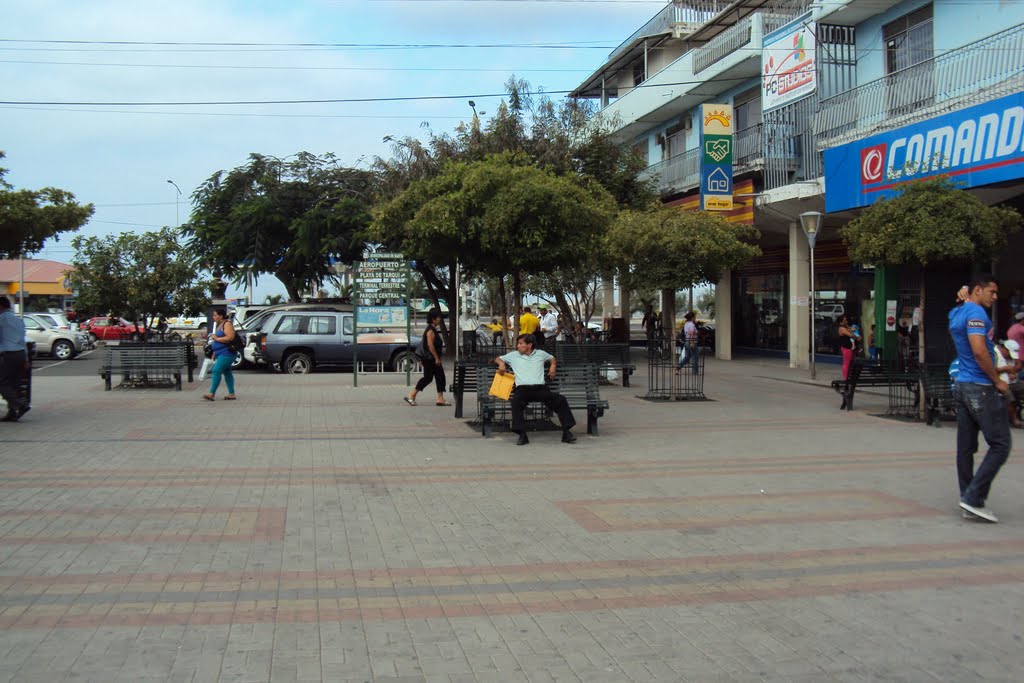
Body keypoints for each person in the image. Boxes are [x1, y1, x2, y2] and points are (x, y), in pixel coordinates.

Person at [949, 275, 1011, 523]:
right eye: (992, 292)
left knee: (965, 447)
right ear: (978, 290)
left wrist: (961, 297)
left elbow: (956, 311)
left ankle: (968, 498)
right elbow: (978, 349)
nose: (995, 297)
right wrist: (997, 380)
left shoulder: (958, 312)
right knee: (1001, 444)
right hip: (980, 386)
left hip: (962, 384)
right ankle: (973, 498)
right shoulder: (977, 315)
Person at [495, 333, 576, 445]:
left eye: (520, 343)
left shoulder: (541, 354)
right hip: (522, 389)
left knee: (560, 400)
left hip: (540, 389)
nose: (518, 346)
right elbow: (498, 358)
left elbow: (552, 359)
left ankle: (567, 432)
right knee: (516, 402)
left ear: (529, 345)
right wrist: (501, 364)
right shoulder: (513, 355)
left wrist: (553, 367)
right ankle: (522, 435)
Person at [406, 308, 449, 407]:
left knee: (439, 377)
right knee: (428, 378)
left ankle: (440, 398)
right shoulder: (430, 331)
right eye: (438, 318)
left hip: (431, 359)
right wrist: (436, 358)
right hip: (431, 359)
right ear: (433, 319)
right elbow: (430, 346)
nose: (440, 319)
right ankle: (412, 395)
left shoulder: (432, 329)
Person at [0, 296, 29, 422]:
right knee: (14, 384)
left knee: (2, 383)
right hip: (21, 354)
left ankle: (20, 405)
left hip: (8, 355)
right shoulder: (18, 320)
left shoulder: (1, 320)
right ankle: (12, 412)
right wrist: (26, 359)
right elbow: (23, 340)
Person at [202, 308, 238, 401]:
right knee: (227, 373)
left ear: (221, 316)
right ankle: (232, 394)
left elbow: (230, 337)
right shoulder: (219, 325)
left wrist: (216, 338)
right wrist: (215, 352)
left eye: (215, 315)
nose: (213, 317)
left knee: (216, 370)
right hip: (221, 353)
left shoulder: (227, 324)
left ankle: (211, 393)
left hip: (228, 353)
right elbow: (218, 342)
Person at [996, 339, 1023, 428]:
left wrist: (1013, 371)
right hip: (998, 381)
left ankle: (1020, 413)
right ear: (1004, 349)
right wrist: (1005, 369)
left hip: (1012, 381)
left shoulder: (1012, 353)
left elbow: (1018, 364)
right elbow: (989, 370)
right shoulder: (995, 353)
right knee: (1009, 396)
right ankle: (1014, 419)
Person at [837, 315, 859, 380]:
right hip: (846, 347)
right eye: (844, 320)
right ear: (841, 322)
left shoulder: (846, 327)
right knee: (847, 363)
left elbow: (855, 329)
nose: (846, 321)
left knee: (851, 363)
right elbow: (851, 335)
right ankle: (845, 378)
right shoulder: (841, 328)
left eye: (846, 320)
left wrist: (852, 330)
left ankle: (849, 376)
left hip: (852, 347)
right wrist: (857, 337)